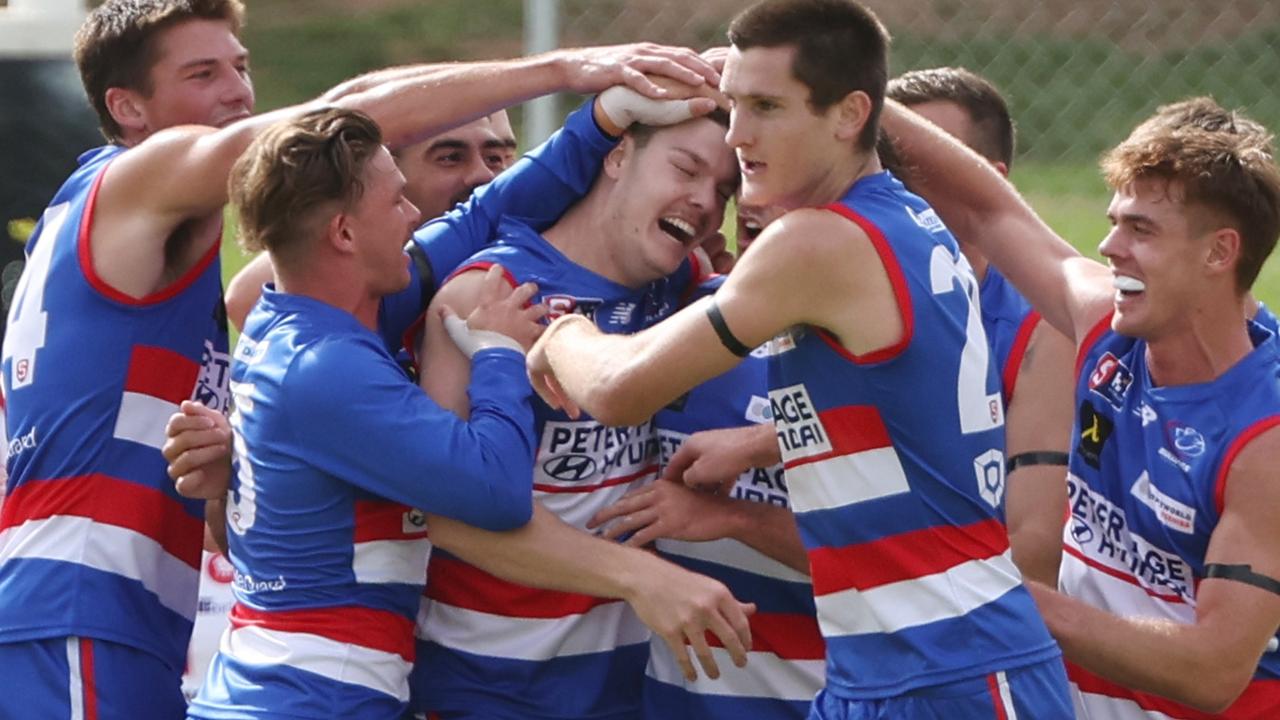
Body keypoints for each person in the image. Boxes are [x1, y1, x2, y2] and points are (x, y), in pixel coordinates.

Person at [0, 0, 725, 714]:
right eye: (202, 74)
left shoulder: (324, 309)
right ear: (127, 106)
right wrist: (571, 68)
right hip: (86, 605)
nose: (240, 93)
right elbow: (487, 491)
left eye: (242, 67)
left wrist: (597, 121)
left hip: (140, 616)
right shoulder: (153, 201)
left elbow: (478, 219)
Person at [525, 1, 1074, 718]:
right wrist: (764, 444)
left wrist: (562, 334)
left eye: (766, 107)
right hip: (883, 670)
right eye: (731, 105)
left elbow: (622, 389)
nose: (739, 135)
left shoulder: (818, 242)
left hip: (952, 674)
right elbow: (894, 413)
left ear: (850, 115)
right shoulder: (908, 218)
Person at [880, 95, 1280, 716]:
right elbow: (987, 210)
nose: (1109, 246)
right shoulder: (1105, 326)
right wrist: (852, 92)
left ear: (1219, 253)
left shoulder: (1266, 435)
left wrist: (1006, 592)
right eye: (1116, 220)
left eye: (1141, 230)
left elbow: (1214, 670)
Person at [411, 102, 743, 720]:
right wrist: (641, 577)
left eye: (722, 188)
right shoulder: (492, 291)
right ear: (617, 156)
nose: (703, 200)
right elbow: (446, 513)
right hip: (489, 687)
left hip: (627, 688)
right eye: (685, 169)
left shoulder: (681, 284)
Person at [588, 197, 824, 720]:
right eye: (746, 176)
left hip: (820, 700)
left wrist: (734, 517)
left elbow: (898, 561)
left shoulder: (885, 351)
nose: (756, 200)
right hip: (666, 700)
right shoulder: (684, 314)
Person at [886, 67, 1075, 585]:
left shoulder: (1038, 328)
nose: (892, 183)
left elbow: (1034, 549)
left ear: (987, 180)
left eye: (921, 163)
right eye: (884, 160)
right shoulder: (808, 288)